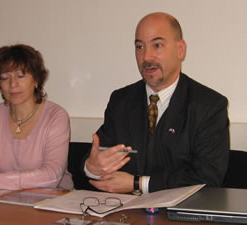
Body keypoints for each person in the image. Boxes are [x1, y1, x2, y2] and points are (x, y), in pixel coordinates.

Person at [84, 12, 229, 194]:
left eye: (157, 45)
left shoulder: (209, 106)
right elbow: (97, 154)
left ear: (180, 50)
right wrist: (92, 166)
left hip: (179, 217)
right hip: (125, 215)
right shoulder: (121, 100)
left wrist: (139, 183)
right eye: (139, 47)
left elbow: (208, 178)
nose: (146, 57)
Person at [0, 44, 73, 191]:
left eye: (20, 76)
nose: (13, 84)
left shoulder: (56, 116)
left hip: (55, 202)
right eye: (5, 78)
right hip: (7, 201)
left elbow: (52, 176)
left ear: (36, 79)